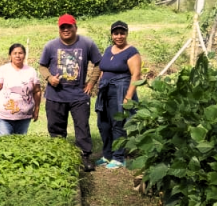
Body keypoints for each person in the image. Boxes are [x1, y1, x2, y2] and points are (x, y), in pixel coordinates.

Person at [39, 14, 102, 171]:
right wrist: (49, 78)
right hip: (55, 95)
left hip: (79, 96)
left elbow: (99, 63)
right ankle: (59, 157)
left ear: (75, 27)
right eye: (62, 27)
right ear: (59, 29)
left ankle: (84, 157)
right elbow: (42, 66)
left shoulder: (87, 43)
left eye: (69, 26)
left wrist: (91, 82)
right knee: (56, 129)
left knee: (82, 128)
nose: (66, 30)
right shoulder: (50, 46)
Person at [95, 20, 141, 169]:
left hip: (120, 90)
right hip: (105, 90)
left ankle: (119, 157)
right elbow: (103, 69)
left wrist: (128, 96)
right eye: (116, 33)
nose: (119, 36)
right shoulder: (109, 49)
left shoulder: (131, 52)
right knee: (103, 124)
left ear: (126, 34)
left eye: (122, 33)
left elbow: (135, 75)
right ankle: (107, 155)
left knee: (117, 124)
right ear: (112, 35)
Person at [0, 43, 41, 135]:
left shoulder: (31, 71)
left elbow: (37, 91)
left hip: (24, 117)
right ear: (10, 56)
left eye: (20, 53)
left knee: (20, 144)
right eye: (15, 53)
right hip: (4, 117)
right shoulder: (3, 70)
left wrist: (36, 109)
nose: (18, 55)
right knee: (5, 144)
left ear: (24, 55)